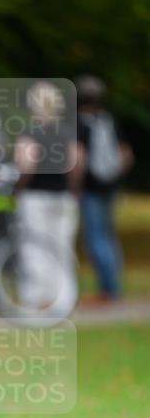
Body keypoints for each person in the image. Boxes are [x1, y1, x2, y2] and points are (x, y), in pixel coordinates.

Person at [13, 81, 80, 313]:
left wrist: (19, 186)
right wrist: (73, 188)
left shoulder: (31, 132)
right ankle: (64, 299)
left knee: (35, 247)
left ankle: (38, 300)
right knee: (62, 246)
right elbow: (77, 163)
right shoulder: (66, 132)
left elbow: (26, 163)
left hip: (35, 197)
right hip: (62, 196)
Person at [75, 74, 134, 302]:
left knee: (96, 238)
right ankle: (113, 286)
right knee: (109, 237)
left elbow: (78, 159)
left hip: (90, 189)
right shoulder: (107, 120)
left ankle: (108, 290)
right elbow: (126, 155)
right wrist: (112, 176)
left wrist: (76, 186)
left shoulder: (80, 122)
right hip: (110, 188)